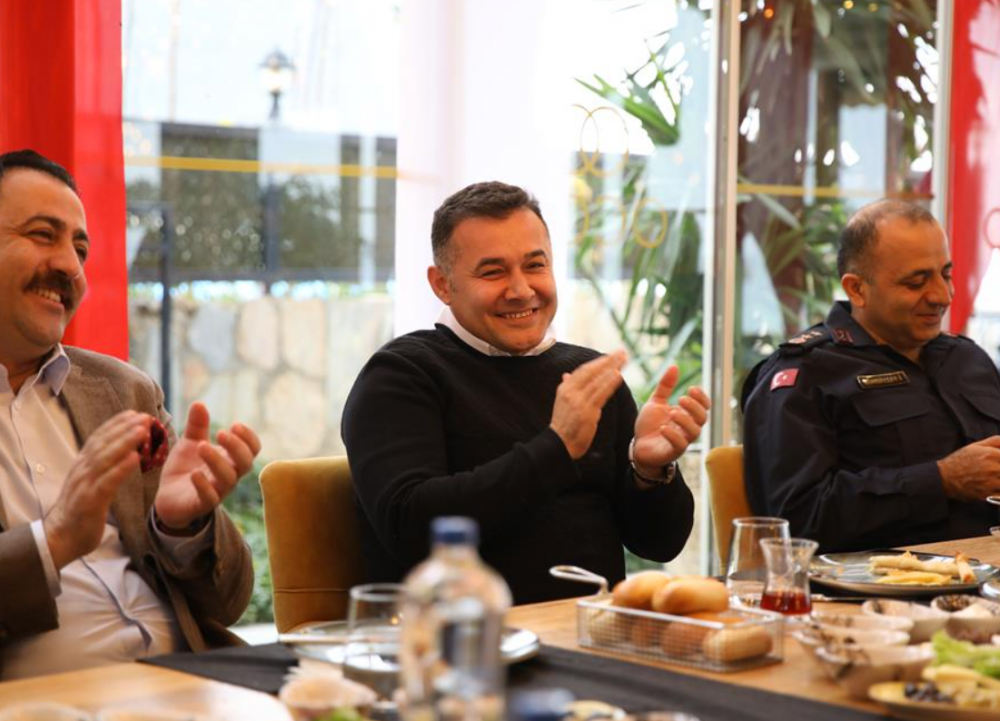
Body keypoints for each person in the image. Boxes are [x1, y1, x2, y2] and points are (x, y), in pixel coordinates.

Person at [342, 181, 709, 604]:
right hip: (464, 636)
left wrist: (648, 471)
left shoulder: (585, 375)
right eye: (493, 272)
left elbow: (659, 544)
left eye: (535, 265)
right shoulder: (402, 374)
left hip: (592, 631)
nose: (521, 290)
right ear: (442, 284)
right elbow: (409, 528)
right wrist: (557, 448)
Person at [0, 149, 260, 679]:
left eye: (80, 248)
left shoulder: (123, 390)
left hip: (187, 685)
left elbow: (229, 602)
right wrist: (54, 542)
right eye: (43, 235)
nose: (70, 267)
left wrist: (181, 527)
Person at [742, 199, 1000, 552]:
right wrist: (941, 480)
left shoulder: (967, 359)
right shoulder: (805, 375)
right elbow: (795, 521)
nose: (942, 295)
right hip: (887, 582)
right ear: (856, 289)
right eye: (916, 282)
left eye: (946, 274)